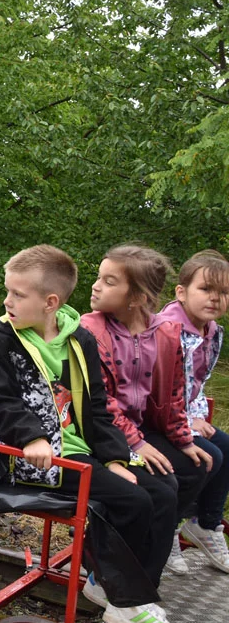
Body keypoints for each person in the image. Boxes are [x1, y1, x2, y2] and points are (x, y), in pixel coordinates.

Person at [0, 244, 188, 623]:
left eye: (17, 294)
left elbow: (96, 406)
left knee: (164, 491)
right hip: (38, 457)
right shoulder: (2, 338)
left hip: (84, 449)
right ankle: (123, 597)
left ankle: (129, 591)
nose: (7, 301)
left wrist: (113, 457)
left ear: (51, 302)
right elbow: (0, 399)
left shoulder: (78, 339)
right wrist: (33, 438)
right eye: (8, 292)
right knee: (133, 501)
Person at [82, 244, 212, 575]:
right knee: (160, 487)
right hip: (104, 435)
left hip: (138, 429)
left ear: (137, 298)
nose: (96, 285)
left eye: (109, 281)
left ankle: (155, 540)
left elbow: (172, 394)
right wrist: (136, 445)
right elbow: (100, 402)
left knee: (195, 465)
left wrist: (183, 439)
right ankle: (112, 568)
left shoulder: (165, 334)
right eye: (100, 277)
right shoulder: (92, 329)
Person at [157, 249, 229, 571]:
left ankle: (206, 524)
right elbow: (160, 387)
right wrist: (187, 421)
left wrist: (196, 415)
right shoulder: (168, 329)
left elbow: (196, 382)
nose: (215, 298)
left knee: (226, 447)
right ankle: (166, 528)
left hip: (182, 414)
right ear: (182, 293)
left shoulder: (212, 332)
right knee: (205, 457)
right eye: (206, 289)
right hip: (156, 416)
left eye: (224, 292)